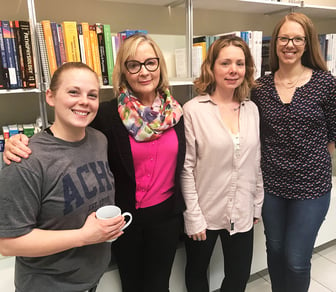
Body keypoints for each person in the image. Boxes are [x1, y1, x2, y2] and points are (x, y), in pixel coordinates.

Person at [3, 34, 186, 292]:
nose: (143, 71)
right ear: (124, 71)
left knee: (159, 285)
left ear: (160, 67)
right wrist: (19, 142)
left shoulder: (177, 112)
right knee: (132, 285)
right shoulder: (107, 115)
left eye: (151, 63)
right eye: (134, 64)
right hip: (124, 220)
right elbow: (66, 127)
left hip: (166, 216)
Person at [0, 62, 126, 292]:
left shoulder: (99, 140)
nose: (84, 101)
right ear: (50, 96)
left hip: (90, 280)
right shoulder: (26, 159)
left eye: (92, 95)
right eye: (73, 92)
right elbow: (8, 243)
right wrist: (84, 236)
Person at [251, 12, 336, 292]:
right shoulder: (259, 88)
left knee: (297, 260)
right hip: (272, 186)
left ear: (307, 43)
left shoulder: (326, 83)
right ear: (275, 43)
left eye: (297, 38)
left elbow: (334, 135)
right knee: (275, 251)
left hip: (312, 188)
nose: (290, 44)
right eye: (284, 38)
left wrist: (309, 159)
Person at [181, 35, 264, 292]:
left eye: (240, 63)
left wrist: (256, 203)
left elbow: (255, 160)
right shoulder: (194, 109)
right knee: (196, 272)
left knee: (238, 277)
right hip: (204, 212)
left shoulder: (252, 109)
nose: (233, 70)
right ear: (212, 67)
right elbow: (186, 168)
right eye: (225, 63)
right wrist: (193, 216)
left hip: (242, 210)